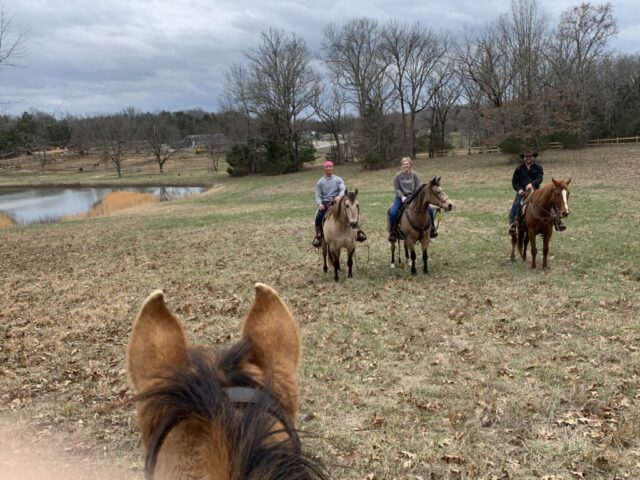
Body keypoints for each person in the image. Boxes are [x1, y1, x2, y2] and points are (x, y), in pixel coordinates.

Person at [312, 160, 367, 247]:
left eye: (330, 166)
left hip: (338, 201)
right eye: (327, 167)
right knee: (319, 217)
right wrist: (320, 204)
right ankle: (319, 235)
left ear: (332, 168)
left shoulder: (338, 179)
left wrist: (339, 196)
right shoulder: (320, 182)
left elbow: (342, 189)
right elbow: (318, 195)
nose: (329, 168)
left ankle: (357, 231)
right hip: (326, 203)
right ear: (324, 169)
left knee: (350, 212)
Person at [388, 157, 437, 242]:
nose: (405, 166)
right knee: (392, 212)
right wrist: (402, 196)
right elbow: (396, 188)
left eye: (407, 164)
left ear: (410, 165)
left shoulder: (415, 175)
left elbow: (418, 187)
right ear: (402, 166)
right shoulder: (398, 176)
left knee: (430, 210)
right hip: (401, 198)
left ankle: (432, 229)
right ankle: (393, 232)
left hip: (414, 197)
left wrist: (415, 196)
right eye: (404, 164)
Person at [509, 149, 551, 235]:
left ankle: (556, 222)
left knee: (548, 203)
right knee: (516, 204)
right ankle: (513, 224)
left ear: (533, 157)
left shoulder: (539, 168)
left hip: (536, 190)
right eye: (526, 157)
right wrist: (519, 189)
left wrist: (532, 184)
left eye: (530, 156)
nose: (528, 158)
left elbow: (540, 178)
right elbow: (514, 182)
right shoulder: (519, 169)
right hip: (522, 191)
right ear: (523, 158)